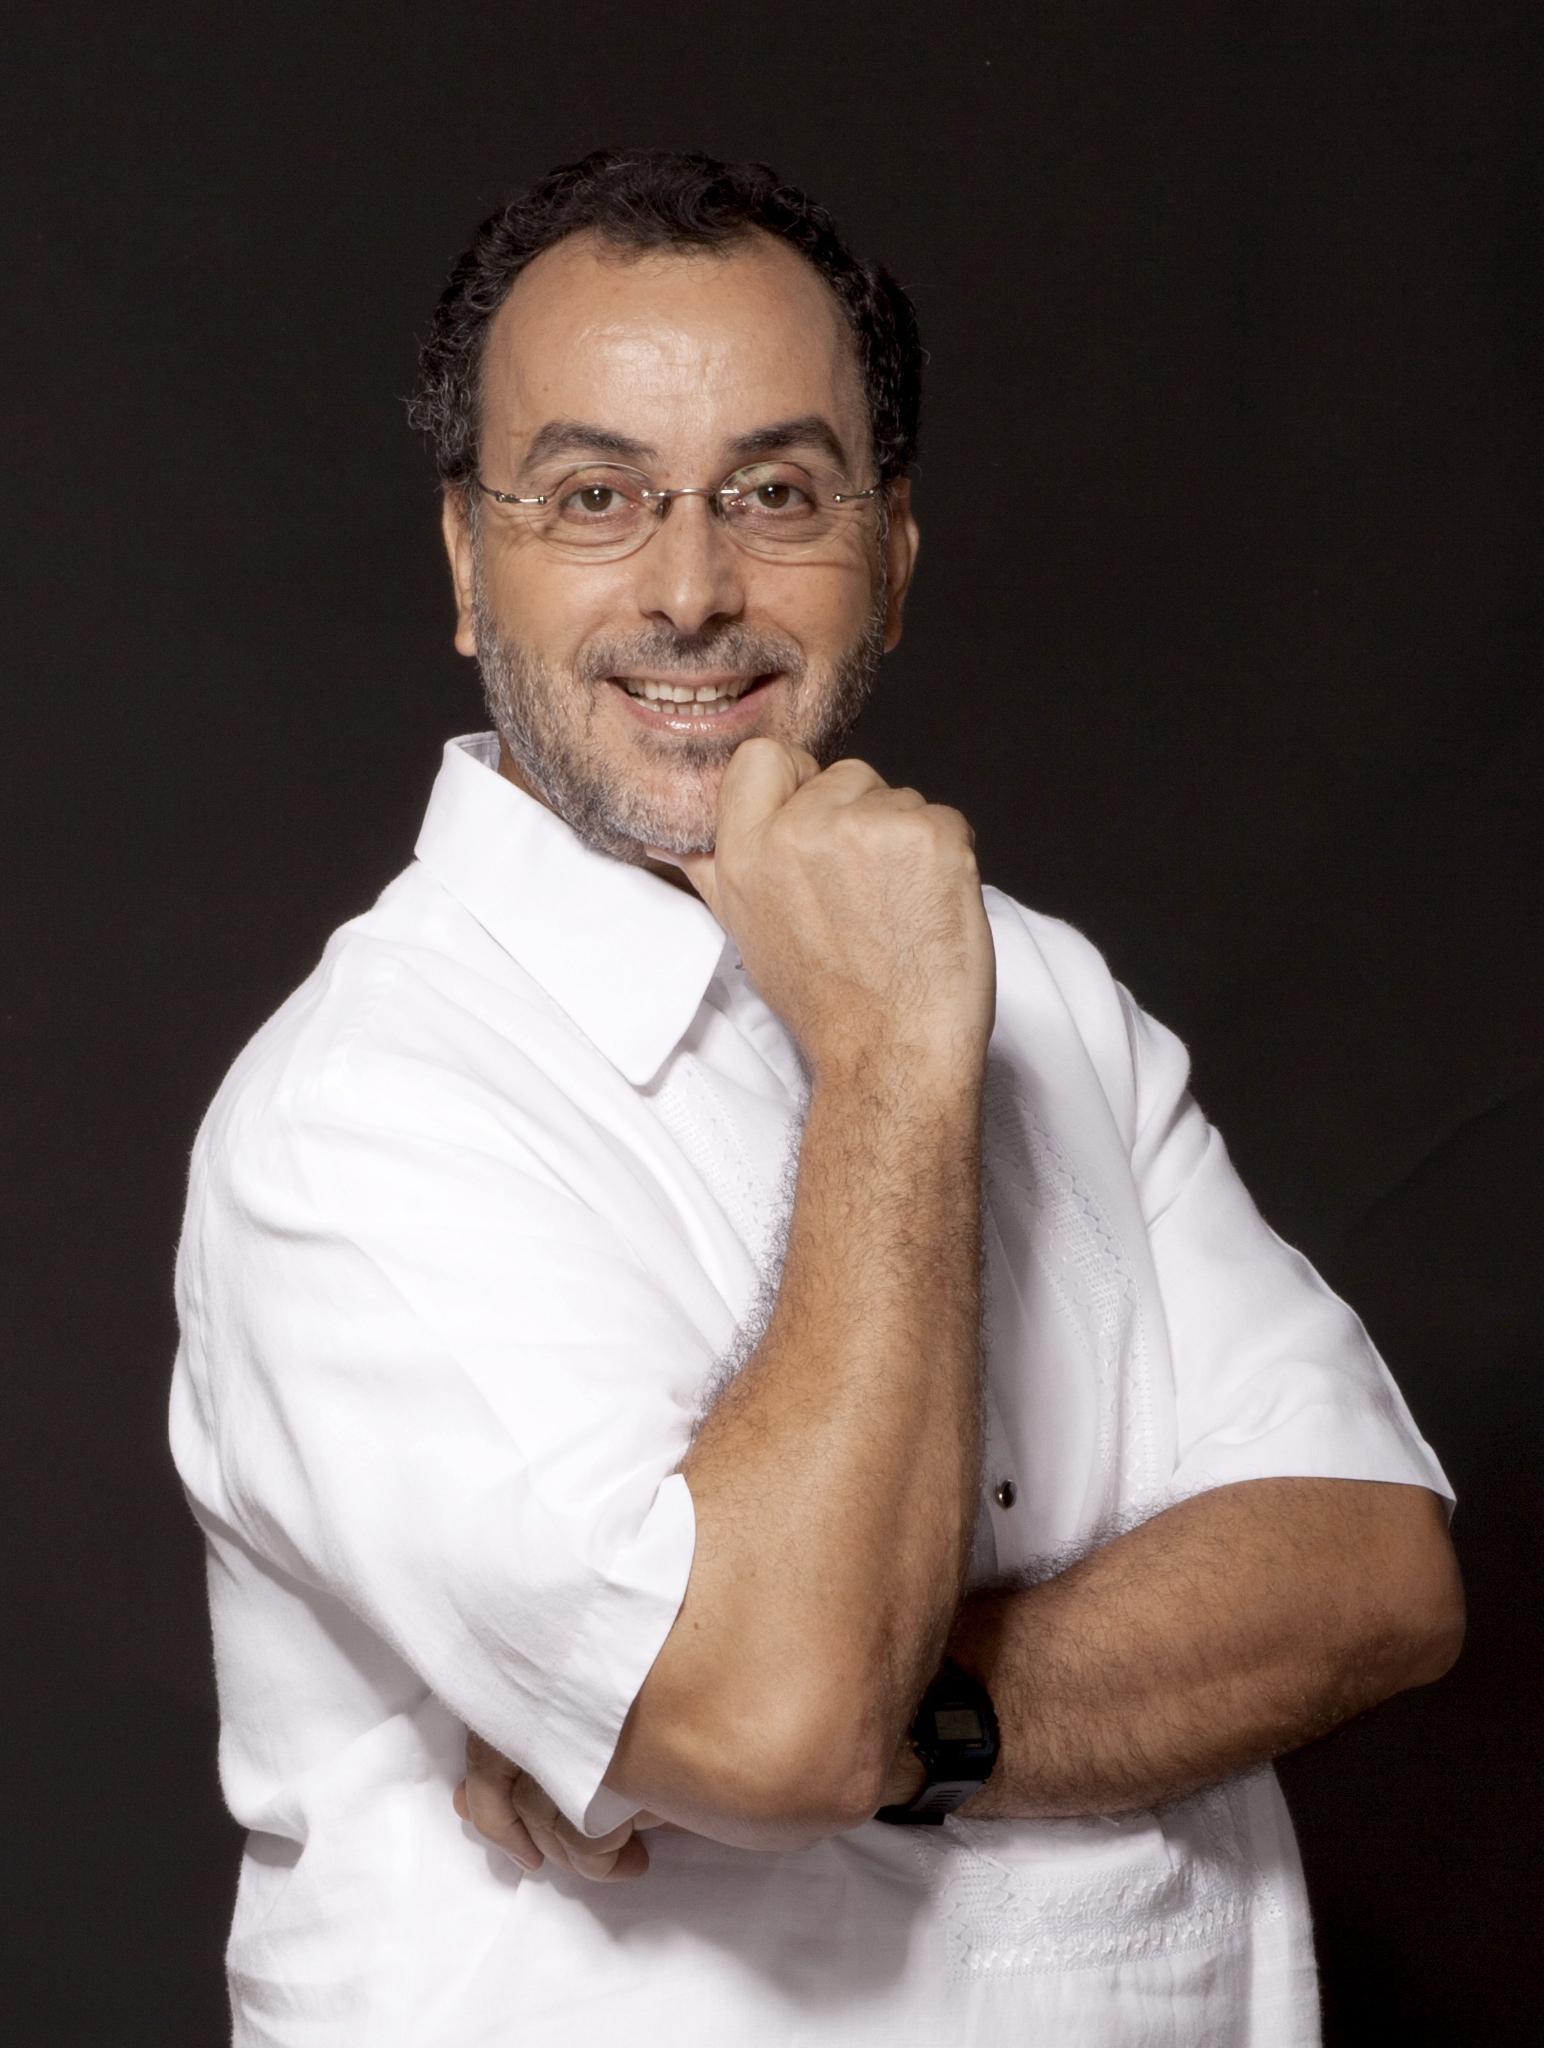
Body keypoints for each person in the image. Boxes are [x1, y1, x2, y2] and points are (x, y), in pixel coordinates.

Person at [169, 149, 1463, 2047]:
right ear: (465, 562)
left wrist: (912, 1723)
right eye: (594, 496)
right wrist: (886, 1059)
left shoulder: (1041, 987)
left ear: (896, 553)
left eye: (777, 493)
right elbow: (779, 1719)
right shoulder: (357, 1115)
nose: (694, 589)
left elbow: (1376, 1571)